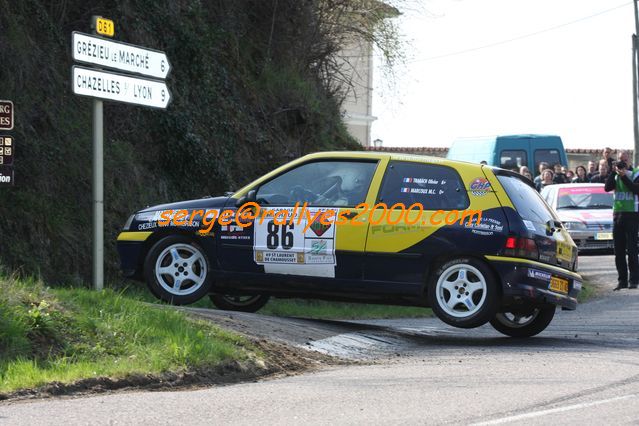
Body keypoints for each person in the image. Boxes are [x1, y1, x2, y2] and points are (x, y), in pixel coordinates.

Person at [604, 161, 639, 290]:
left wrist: (624, 176)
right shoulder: (615, 175)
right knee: (618, 251)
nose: (620, 168)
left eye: (622, 166)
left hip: (632, 215)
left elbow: (636, 189)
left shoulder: (635, 174)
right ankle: (622, 281)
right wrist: (613, 172)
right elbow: (607, 188)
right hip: (617, 216)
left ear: (628, 164)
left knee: (632, 250)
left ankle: (634, 280)